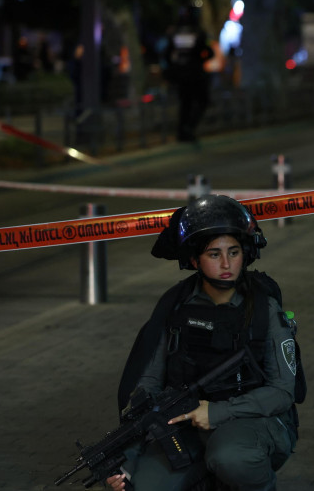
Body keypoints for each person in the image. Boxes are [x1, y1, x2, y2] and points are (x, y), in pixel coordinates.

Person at [107, 195, 302, 490]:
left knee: (231, 457)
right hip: (186, 424)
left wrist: (216, 413)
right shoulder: (176, 306)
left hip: (254, 422)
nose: (226, 264)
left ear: (246, 252)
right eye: (214, 254)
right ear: (195, 259)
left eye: (233, 252)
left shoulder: (264, 308)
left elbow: (282, 391)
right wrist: (128, 461)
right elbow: (148, 382)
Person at [163, 6, 214, 144]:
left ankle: (182, 132)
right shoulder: (198, 32)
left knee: (185, 103)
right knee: (202, 100)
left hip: (181, 74)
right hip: (195, 73)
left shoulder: (175, 33)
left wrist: (176, 66)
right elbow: (209, 52)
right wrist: (199, 60)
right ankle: (188, 129)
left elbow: (167, 54)